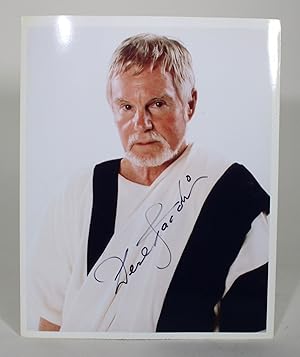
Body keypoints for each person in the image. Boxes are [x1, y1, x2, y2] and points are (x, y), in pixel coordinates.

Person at [32, 33, 270, 333]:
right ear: (111, 106)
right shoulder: (80, 194)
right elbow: (50, 323)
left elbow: (251, 342)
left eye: (157, 104)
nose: (141, 124)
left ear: (190, 103)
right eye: (127, 107)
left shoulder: (234, 198)